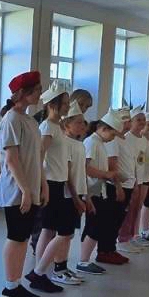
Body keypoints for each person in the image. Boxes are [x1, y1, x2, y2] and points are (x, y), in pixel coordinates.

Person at [0, 71, 47, 297]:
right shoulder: (11, 120)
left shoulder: (30, 121)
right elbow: (12, 159)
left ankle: (16, 283)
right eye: (37, 91)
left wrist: (42, 184)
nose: (39, 95)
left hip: (30, 189)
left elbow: (37, 158)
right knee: (16, 237)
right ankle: (10, 287)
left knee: (23, 238)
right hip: (15, 190)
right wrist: (26, 190)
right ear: (24, 93)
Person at [31, 82, 77, 289]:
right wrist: (43, 185)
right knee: (64, 231)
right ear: (52, 104)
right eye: (65, 103)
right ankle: (39, 272)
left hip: (58, 183)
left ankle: (39, 271)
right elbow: (39, 156)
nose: (68, 106)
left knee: (49, 229)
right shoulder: (48, 127)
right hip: (50, 183)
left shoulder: (57, 126)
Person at [78, 110, 122, 272]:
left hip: (98, 190)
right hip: (91, 191)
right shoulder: (91, 142)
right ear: (103, 129)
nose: (113, 138)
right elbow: (84, 167)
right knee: (94, 226)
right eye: (112, 134)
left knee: (97, 225)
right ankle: (83, 261)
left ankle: (85, 259)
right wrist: (106, 174)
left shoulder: (99, 143)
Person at [57, 102, 94, 281]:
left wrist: (85, 195)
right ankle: (58, 268)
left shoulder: (79, 144)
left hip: (78, 193)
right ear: (67, 124)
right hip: (68, 195)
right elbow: (67, 174)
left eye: (83, 122)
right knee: (63, 233)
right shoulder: (65, 144)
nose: (82, 125)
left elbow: (81, 173)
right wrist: (76, 198)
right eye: (78, 122)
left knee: (69, 234)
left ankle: (63, 266)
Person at [117, 107, 149, 253]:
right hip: (132, 180)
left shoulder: (143, 139)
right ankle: (123, 238)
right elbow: (129, 162)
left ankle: (132, 235)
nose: (142, 122)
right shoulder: (127, 138)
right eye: (138, 120)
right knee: (128, 210)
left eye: (144, 120)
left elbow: (143, 160)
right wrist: (136, 180)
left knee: (136, 209)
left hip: (141, 178)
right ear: (131, 121)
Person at [104, 108, 137, 258]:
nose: (127, 124)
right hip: (118, 186)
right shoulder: (113, 140)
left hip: (128, 184)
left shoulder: (126, 139)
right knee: (112, 219)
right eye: (124, 121)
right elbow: (112, 165)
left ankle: (111, 249)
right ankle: (106, 249)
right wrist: (118, 186)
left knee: (119, 218)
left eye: (129, 121)